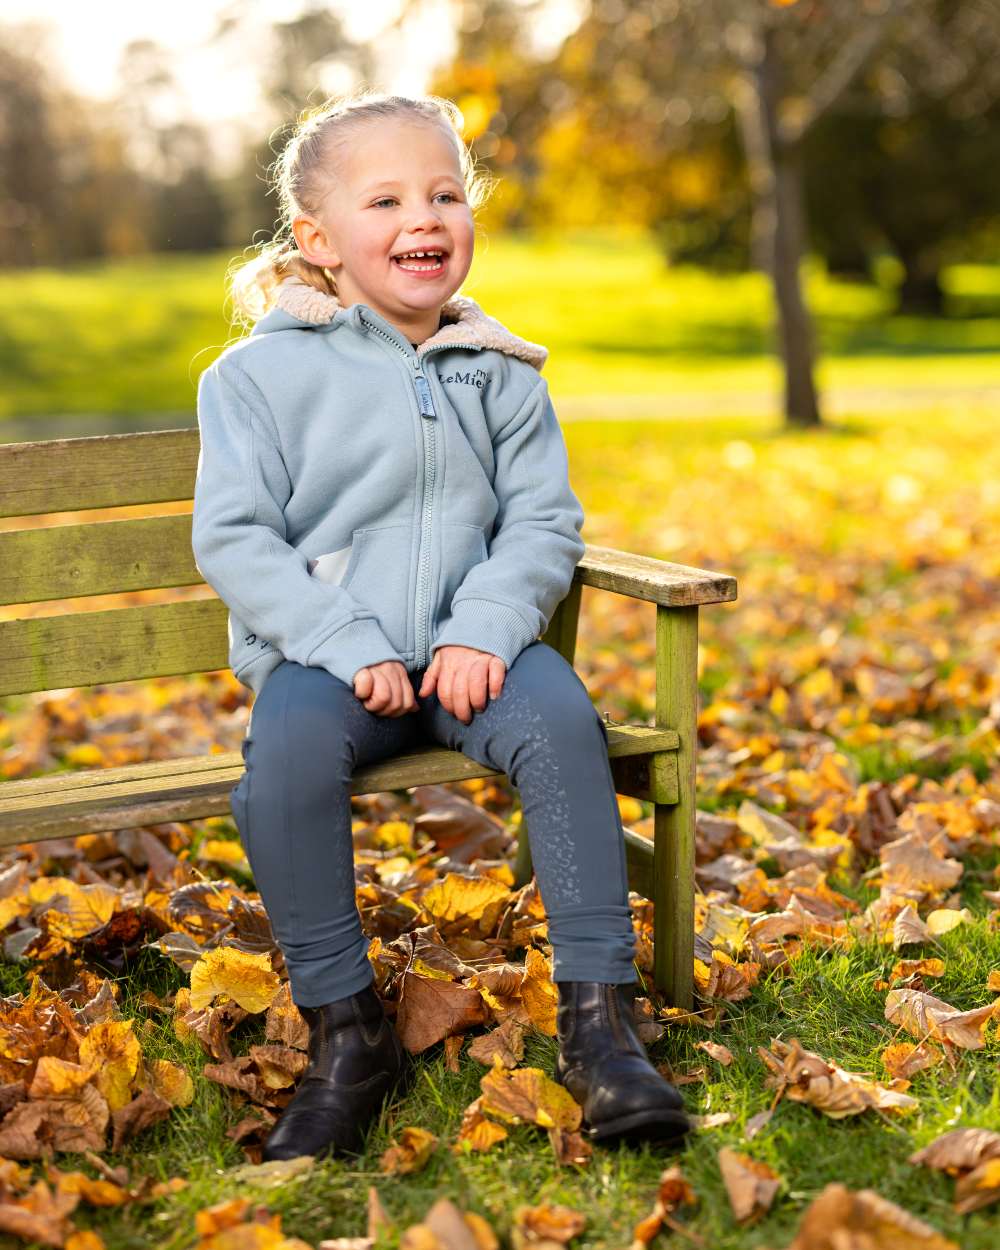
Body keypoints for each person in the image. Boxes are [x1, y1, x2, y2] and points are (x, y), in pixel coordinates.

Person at [191, 89, 691, 1162]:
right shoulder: (255, 379)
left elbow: (542, 520)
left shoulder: (499, 370)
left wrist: (488, 626)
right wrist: (343, 639)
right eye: (386, 199)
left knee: (564, 726)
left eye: (445, 193)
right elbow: (235, 540)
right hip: (334, 664)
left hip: (481, 657)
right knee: (281, 761)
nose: (425, 217)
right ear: (318, 242)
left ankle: (602, 1027)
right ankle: (344, 1034)